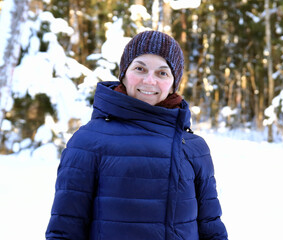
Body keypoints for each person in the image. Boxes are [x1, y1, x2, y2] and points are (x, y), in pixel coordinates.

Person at [46, 30, 228, 240]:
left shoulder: (194, 147)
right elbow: (65, 230)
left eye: (162, 73)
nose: (149, 81)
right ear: (123, 74)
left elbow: (211, 227)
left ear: (173, 83)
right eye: (140, 69)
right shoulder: (88, 141)